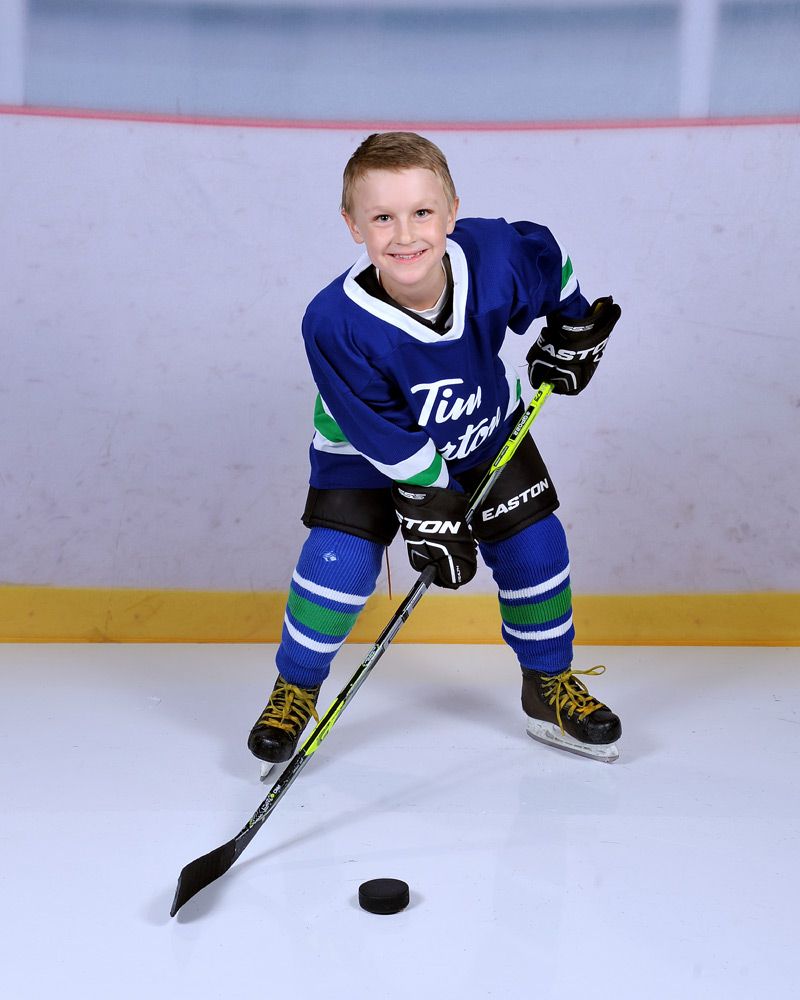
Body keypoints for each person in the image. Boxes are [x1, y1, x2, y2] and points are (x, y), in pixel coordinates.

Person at [248, 131, 622, 771]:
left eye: (422, 212)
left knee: (536, 546)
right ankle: (297, 688)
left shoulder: (495, 257)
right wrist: (432, 500)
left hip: (482, 426)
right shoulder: (334, 322)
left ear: (451, 212)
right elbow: (383, 433)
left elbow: (548, 261)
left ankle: (547, 683)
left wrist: (574, 321)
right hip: (363, 452)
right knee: (340, 562)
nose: (405, 235)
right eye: (382, 218)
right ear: (352, 225)